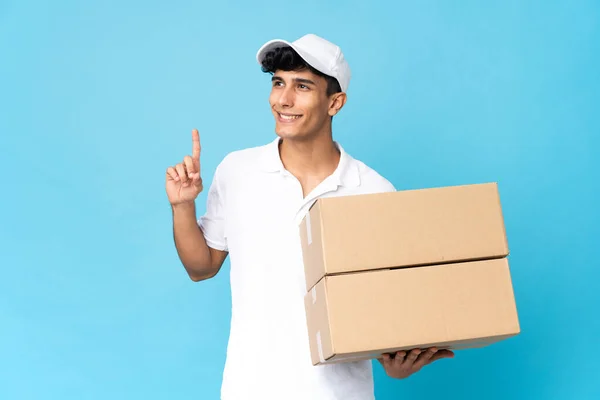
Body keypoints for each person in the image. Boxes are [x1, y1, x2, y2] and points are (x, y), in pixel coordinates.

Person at [165, 33, 454, 400]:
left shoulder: (374, 191)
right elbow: (201, 267)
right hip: (248, 389)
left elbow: (385, 311)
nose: (283, 100)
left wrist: (394, 362)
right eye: (278, 83)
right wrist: (182, 206)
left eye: (302, 86)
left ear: (335, 102)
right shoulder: (237, 170)